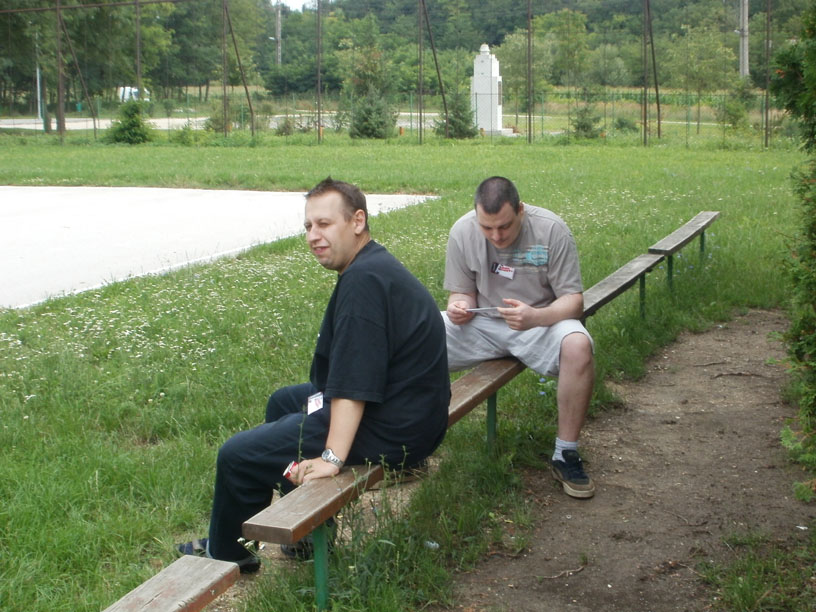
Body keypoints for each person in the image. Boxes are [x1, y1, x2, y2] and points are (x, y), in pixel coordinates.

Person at [178, 177, 450, 571]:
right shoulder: (370, 264)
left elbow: (354, 387)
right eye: (308, 226)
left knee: (237, 455)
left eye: (324, 224)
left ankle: (229, 554)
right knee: (283, 402)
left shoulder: (364, 283)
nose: (313, 236)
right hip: (409, 407)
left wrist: (331, 457)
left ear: (357, 221)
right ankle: (305, 538)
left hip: (394, 425)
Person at [443, 176, 595, 499]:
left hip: (541, 322)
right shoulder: (462, 231)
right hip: (484, 322)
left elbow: (573, 302)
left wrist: (535, 317)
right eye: (487, 228)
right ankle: (404, 449)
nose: (496, 236)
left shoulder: (552, 230)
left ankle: (565, 454)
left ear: (521, 210)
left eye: (505, 226)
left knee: (578, 345)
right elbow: (462, 292)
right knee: (418, 334)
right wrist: (459, 307)